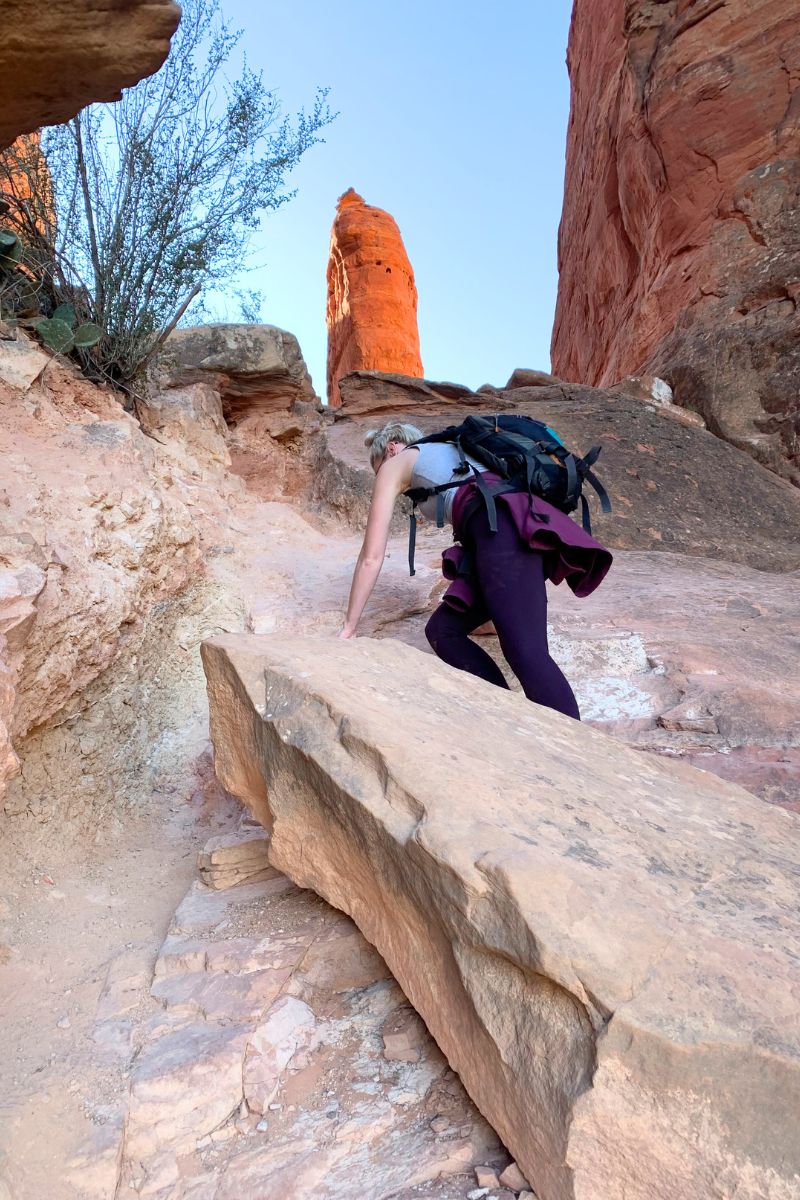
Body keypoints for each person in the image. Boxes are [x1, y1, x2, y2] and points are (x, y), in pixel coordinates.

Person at [339, 420, 612, 720]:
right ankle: (508, 717)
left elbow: (371, 556)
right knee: (443, 630)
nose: (380, 477)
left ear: (391, 449)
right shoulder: (447, 451)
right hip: (505, 530)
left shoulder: (398, 463)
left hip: (500, 530)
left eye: (376, 468)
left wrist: (349, 627)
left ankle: (576, 751)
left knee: (527, 653)